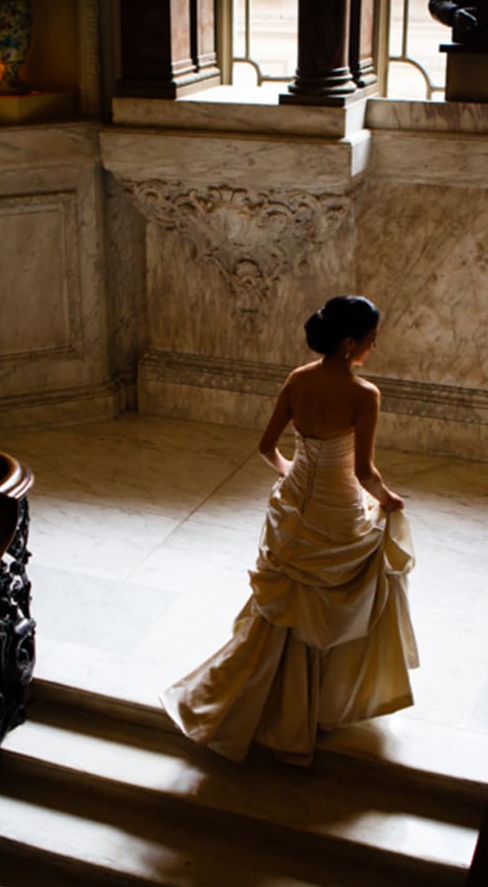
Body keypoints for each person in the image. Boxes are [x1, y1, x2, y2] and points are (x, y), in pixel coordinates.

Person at [160, 295, 419, 766]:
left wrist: (294, 475)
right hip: (336, 510)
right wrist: (389, 501)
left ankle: (270, 700)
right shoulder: (365, 395)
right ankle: (316, 705)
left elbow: (266, 448)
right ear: (348, 343)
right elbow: (364, 473)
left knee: (286, 607)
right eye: (370, 338)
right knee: (336, 601)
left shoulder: (298, 379)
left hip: (296, 505)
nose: (374, 345)